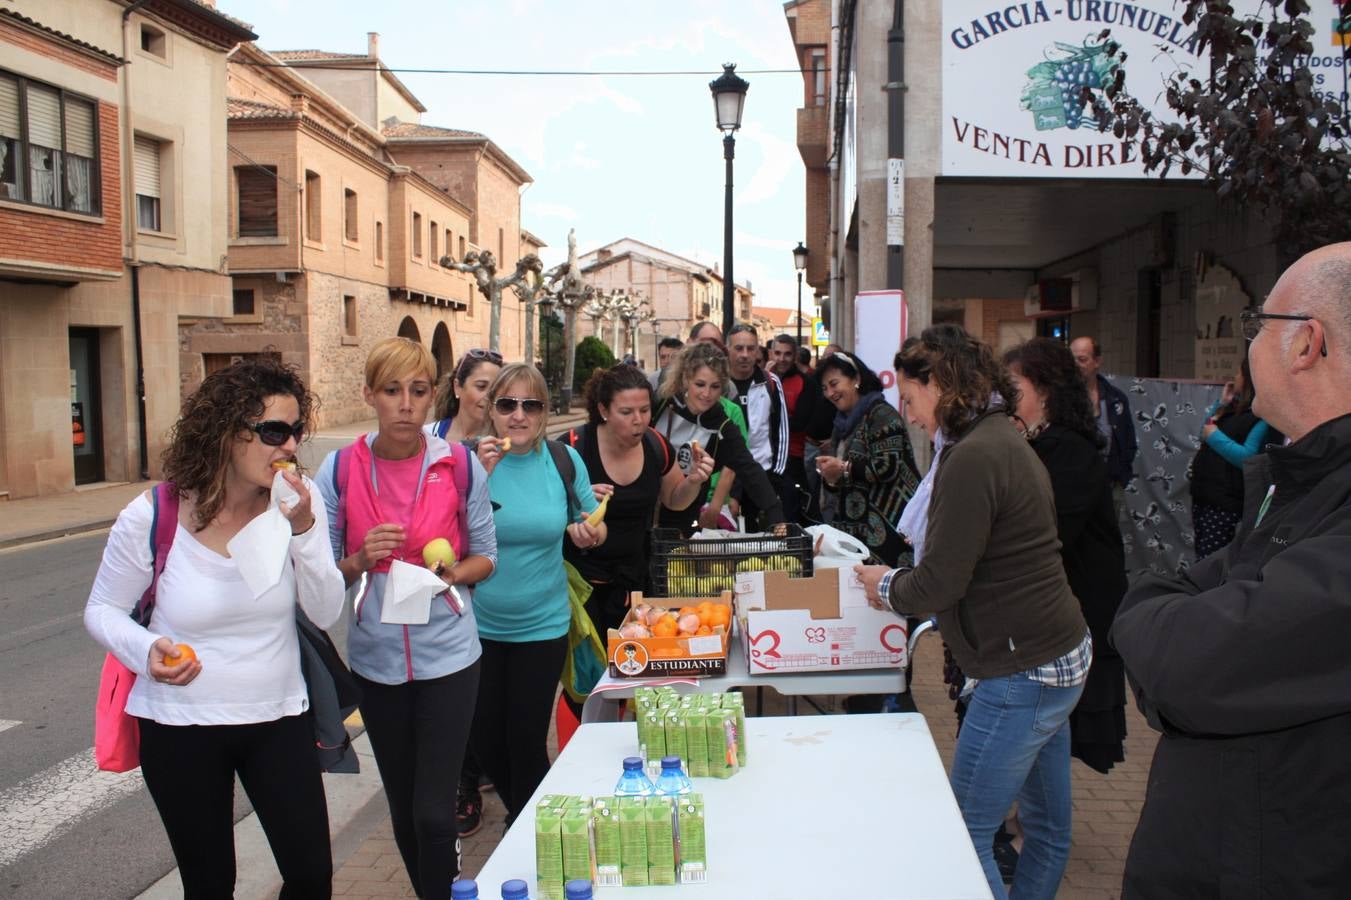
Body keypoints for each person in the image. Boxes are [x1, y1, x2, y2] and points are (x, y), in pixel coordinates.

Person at [1111, 243, 1351, 897]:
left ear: (1304, 343)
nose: (1249, 347)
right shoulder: (1306, 479)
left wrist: (1154, 615)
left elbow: (1184, 662)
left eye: (1257, 325)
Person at [85, 359, 344, 898]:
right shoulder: (152, 514)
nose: (290, 446)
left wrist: (303, 530)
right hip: (179, 727)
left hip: (278, 718)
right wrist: (147, 647)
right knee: (209, 883)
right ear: (226, 432)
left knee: (311, 874)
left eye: (296, 432)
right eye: (274, 431)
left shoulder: (299, 503)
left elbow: (325, 612)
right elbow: (102, 610)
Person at [856, 324, 1091, 900]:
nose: (909, 416)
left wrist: (882, 584)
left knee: (961, 833)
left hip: (1021, 667)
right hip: (1055, 653)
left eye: (909, 400)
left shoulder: (973, 455)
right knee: (1047, 830)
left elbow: (939, 582)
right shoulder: (997, 438)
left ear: (938, 385)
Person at [316, 337, 497, 895]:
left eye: (418, 391)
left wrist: (450, 576)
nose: (405, 404)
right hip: (377, 664)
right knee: (402, 810)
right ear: (370, 394)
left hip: (450, 658)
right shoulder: (340, 467)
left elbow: (486, 557)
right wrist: (358, 558)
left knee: (434, 815)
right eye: (392, 390)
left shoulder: (459, 464)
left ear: (432, 397)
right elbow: (319, 578)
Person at [471, 363, 603, 825]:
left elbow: (594, 515)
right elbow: (445, 533)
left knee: (525, 740)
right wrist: (479, 478)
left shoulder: (562, 461)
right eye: (508, 404)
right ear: (491, 410)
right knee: (486, 741)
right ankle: (529, 816)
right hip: (478, 627)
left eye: (531, 405)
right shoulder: (468, 463)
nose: (519, 416)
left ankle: (533, 827)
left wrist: (591, 532)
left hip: (542, 625)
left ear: (545, 412)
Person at [560, 365, 714, 718]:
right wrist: (575, 501)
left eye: (644, 410)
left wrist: (693, 481)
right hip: (583, 585)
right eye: (626, 412)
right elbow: (546, 511)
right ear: (603, 410)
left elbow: (675, 499)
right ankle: (584, 752)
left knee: (635, 672)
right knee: (588, 682)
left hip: (635, 582)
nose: (639, 420)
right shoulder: (572, 448)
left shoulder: (656, 444)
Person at [1004, 338, 1128, 775]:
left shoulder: (1068, 450)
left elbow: (1046, 536)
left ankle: (1034, 833)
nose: (1006, 399)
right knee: (1044, 736)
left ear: (1046, 390)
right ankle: (1032, 830)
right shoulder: (1041, 445)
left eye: (1014, 387)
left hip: (1078, 612)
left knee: (1048, 734)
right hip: (1057, 613)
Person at [423, 347, 503, 839]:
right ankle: (464, 784)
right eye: (480, 387)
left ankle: (482, 766)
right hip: (446, 591)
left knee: (487, 697)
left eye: (498, 390)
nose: (490, 399)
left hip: (495, 586)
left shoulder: (509, 440)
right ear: (457, 388)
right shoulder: (430, 443)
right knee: (460, 701)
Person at [654, 341, 785, 535]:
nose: (706, 394)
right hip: (647, 504)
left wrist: (777, 519)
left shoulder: (722, 425)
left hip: (684, 512)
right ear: (685, 380)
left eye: (715, 386)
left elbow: (749, 470)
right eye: (700, 384)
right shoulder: (661, 402)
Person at [814, 351, 919, 565]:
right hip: (855, 531)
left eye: (834, 384)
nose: (830, 393)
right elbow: (843, 479)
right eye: (825, 388)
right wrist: (830, 476)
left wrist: (842, 469)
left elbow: (888, 466)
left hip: (889, 528)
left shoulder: (881, 414)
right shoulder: (841, 425)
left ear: (857, 380)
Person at [1189, 356, 1280, 560]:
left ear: (1249, 378)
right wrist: (1221, 404)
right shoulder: (1231, 409)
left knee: (1212, 559)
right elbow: (1203, 431)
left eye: (1239, 373)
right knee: (1201, 554)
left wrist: (1214, 436)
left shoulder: (1261, 417)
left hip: (1224, 501)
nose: (1235, 378)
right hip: (1204, 494)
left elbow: (1247, 456)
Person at [725, 323, 790, 527]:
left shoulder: (770, 382)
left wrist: (776, 474)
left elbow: (782, 430)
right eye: (738, 348)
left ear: (758, 351)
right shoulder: (717, 383)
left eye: (750, 348)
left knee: (759, 538)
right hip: (725, 480)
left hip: (761, 473)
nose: (744, 354)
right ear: (728, 349)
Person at [768, 333, 833, 524]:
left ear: (795, 355)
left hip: (793, 456)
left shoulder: (806, 384)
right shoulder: (763, 379)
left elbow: (800, 423)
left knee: (794, 509)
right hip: (764, 456)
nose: (782, 359)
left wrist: (770, 420)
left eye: (787, 354)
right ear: (771, 353)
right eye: (778, 353)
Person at [1069, 336, 1138, 503]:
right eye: (1072, 359)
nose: (1076, 364)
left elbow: (1128, 440)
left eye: (1082, 359)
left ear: (1097, 361)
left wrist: (1121, 472)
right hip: (1074, 485)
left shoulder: (1116, 398)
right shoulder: (1063, 399)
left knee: (1110, 528)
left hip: (1111, 484)